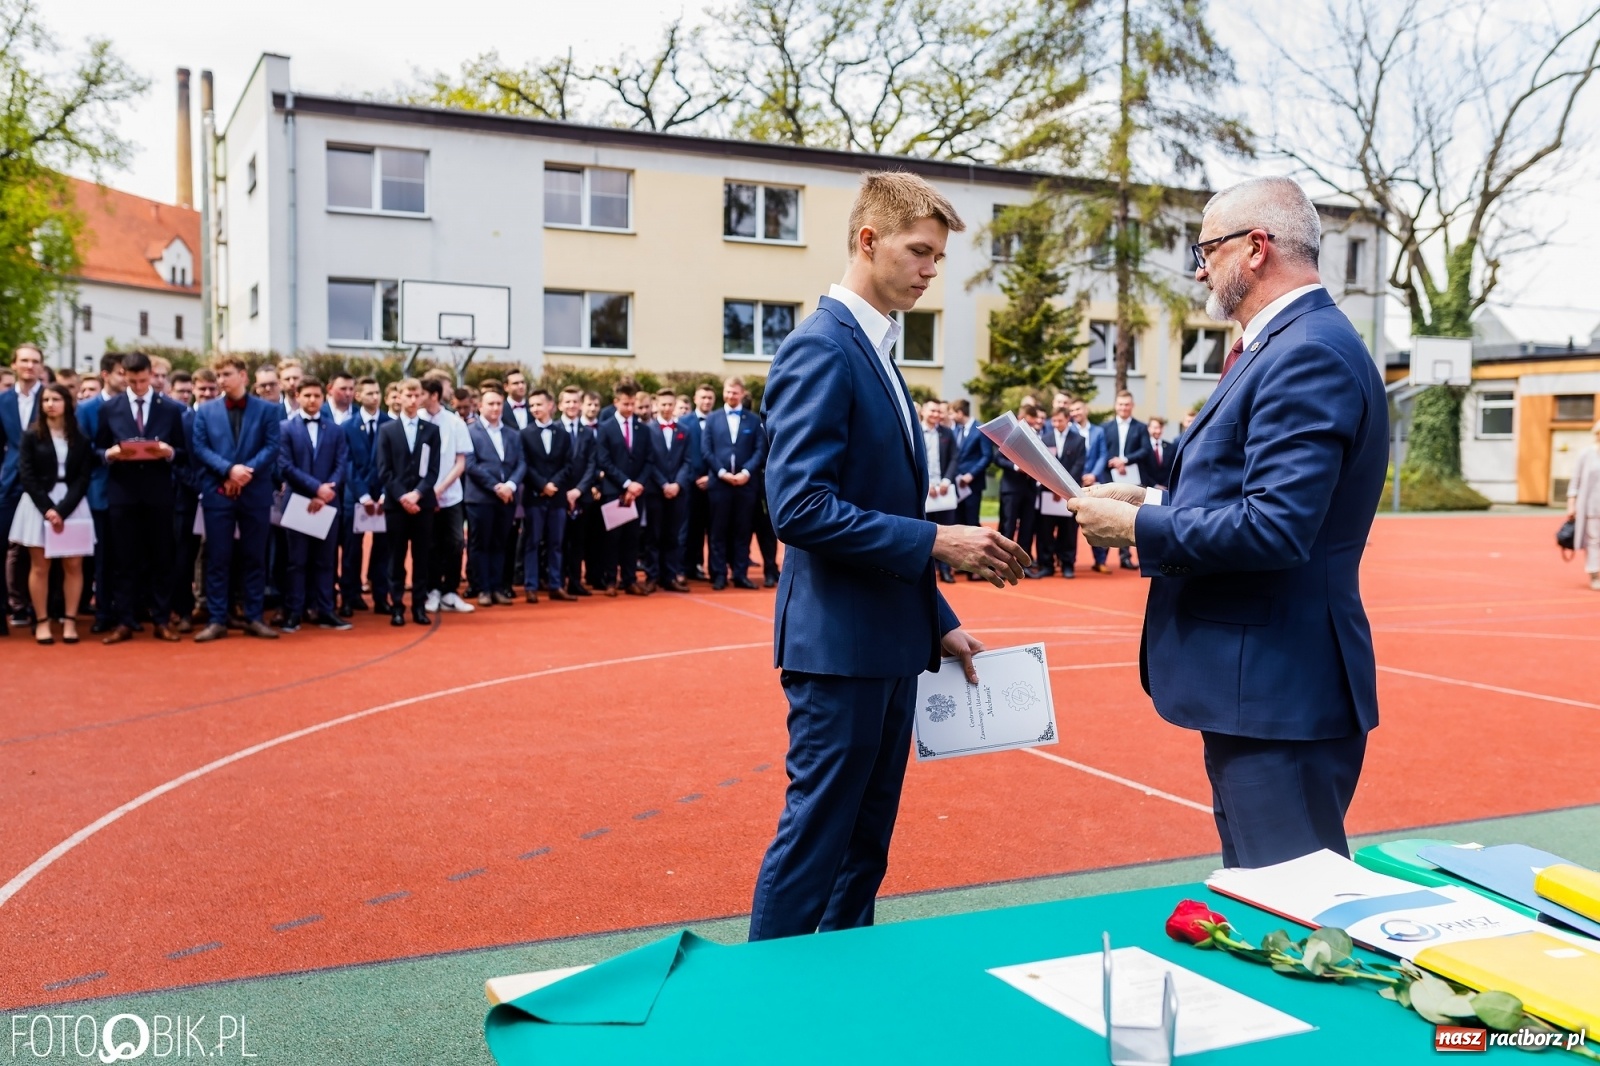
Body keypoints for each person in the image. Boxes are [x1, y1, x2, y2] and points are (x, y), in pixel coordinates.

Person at [1068, 176, 1388, 868]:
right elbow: (1243, 489)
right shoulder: (1283, 345)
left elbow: (1276, 526)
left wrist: (1135, 532)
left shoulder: (1307, 351)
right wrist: (1151, 502)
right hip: (1262, 687)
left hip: (1279, 689)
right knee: (1258, 889)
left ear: (1256, 247)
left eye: (1205, 249)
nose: (1198, 269)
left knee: (1292, 899)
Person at [750, 171, 1030, 942]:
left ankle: (842, 990)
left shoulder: (877, 350)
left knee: (863, 851)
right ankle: (758, 999)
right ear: (868, 241)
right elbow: (799, 509)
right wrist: (940, 541)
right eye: (919, 251)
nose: (931, 270)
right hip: (839, 649)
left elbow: (881, 504)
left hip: (889, 642)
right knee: (816, 842)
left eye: (938, 257)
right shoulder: (822, 348)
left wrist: (936, 618)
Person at [94, 352, 186, 643]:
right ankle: (124, 620)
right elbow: (97, 449)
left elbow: (183, 452)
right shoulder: (110, 408)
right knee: (123, 559)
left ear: (151, 374)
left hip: (159, 493)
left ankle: (161, 620)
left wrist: (169, 452)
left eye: (143, 380)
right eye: (132, 381)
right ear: (123, 374)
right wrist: (111, 454)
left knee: (162, 557)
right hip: (123, 493)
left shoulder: (170, 408)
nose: (138, 386)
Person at [190, 355, 282, 642]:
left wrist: (244, 473)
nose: (221, 380)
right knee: (218, 558)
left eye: (226, 374)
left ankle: (254, 617)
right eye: (218, 375)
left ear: (243, 376)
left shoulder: (268, 410)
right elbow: (200, 448)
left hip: (255, 492)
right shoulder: (206, 411)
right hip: (219, 492)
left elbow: (272, 446)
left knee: (255, 557)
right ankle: (217, 619)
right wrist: (229, 471)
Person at [11, 384, 95, 644]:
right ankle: (42, 621)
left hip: (72, 504)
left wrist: (63, 510)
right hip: (38, 504)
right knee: (40, 566)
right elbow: (26, 474)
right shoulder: (31, 435)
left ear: (67, 403)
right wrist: (48, 509)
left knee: (73, 565)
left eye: (56, 399)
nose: (50, 404)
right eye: (46, 399)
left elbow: (83, 478)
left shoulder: (80, 437)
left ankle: (69, 621)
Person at [274, 377, 351, 632]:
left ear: (323, 397)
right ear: (298, 396)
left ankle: (325, 610)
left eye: (316, 396)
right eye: (307, 395)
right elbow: (285, 466)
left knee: (326, 560)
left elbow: (341, 464)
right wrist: (316, 488)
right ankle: (294, 612)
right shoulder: (285, 428)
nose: (312, 400)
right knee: (296, 561)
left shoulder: (336, 430)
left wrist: (326, 491)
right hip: (298, 501)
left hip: (328, 502)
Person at [376, 378, 442, 626]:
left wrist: (418, 494)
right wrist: (403, 496)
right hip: (396, 505)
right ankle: (396, 605)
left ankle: (418, 606)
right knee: (396, 556)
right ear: (399, 397)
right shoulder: (387, 430)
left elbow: (433, 469)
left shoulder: (431, 430)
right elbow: (384, 470)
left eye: (417, 395)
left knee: (421, 557)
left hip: (423, 504)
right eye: (408, 395)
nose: (413, 400)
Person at [702, 378, 767, 590]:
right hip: (719, 485)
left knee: (742, 532)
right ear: (724, 392)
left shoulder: (753, 420)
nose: (731, 396)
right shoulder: (712, 419)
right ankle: (719, 574)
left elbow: (760, 450)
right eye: (728, 392)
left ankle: (740, 574)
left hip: (745, 485)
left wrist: (746, 472)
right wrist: (722, 473)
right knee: (717, 532)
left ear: (742, 393)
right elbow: (706, 450)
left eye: (735, 392)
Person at [418, 375, 475, 614]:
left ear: (434, 396)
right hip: (421, 495)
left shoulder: (454, 422)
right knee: (429, 543)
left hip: (451, 495)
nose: (416, 398)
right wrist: (426, 491)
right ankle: (431, 590)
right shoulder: (416, 420)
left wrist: (440, 489)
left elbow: (461, 462)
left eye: (421, 393)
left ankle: (450, 591)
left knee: (455, 542)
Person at [595, 382, 657, 596]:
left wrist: (637, 485)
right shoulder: (605, 428)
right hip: (614, 491)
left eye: (632, 404)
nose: (630, 408)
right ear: (616, 402)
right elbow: (604, 460)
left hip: (637, 492)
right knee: (612, 538)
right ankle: (611, 580)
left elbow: (649, 460)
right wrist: (626, 483)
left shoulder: (643, 429)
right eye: (625, 404)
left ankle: (629, 579)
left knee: (632, 537)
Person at [464, 387, 524, 607]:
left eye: (499, 404)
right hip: (480, 498)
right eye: (491, 404)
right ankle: (483, 588)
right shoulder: (470, 432)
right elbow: (470, 465)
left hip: (507, 498)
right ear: (480, 406)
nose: (496, 408)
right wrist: (496, 486)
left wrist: (510, 485)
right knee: (480, 544)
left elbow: (521, 463)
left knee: (501, 543)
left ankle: (498, 587)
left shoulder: (512, 434)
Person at [0, 343, 45, 631]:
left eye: (35, 361)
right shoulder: (2, 401)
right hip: (10, 484)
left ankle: (44, 612)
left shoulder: (51, 398)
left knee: (43, 551)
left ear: (41, 366)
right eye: (25, 360)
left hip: (44, 484)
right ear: (14, 364)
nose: (30, 366)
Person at [522, 388, 581, 603]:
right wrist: (542, 485)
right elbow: (524, 464)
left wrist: (554, 484)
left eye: (539, 404)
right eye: (532, 405)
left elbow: (569, 464)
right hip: (534, 496)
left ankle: (556, 585)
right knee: (532, 542)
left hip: (557, 497)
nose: (535, 409)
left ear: (550, 406)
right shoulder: (525, 434)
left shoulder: (563, 434)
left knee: (556, 543)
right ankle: (531, 585)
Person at [339, 376, 391, 615]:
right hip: (356, 496)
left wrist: (384, 494)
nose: (375, 397)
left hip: (383, 496)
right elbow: (347, 463)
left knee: (383, 549)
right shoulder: (347, 427)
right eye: (370, 393)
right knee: (352, 549)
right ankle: (349, 597)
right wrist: (362, 496)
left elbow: (394, 463)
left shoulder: (390, 424)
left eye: (377, 392)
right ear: (358, 396)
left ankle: (381, 597)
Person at [1089, 390, 1151, 573]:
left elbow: (1145, 450)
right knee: (1106, 515)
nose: (1124, 408)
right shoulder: (1105, 427)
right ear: (1116, 406)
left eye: (1127, 404)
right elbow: (1101, 451)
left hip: (1133, 480)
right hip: (1109, 478)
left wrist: (1125, 460)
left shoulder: (1141, 427)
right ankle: (1101, 559)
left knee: (1128, 516)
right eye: (1121, 404)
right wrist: (1115, 462)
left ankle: (1125, 557)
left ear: (1132, 406)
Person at [642, 387, 697, 593]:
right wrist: (664, 484)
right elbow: (648, 461)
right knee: (653, 536)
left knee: (673, 536)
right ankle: (652, 576)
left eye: (670, 404)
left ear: (674, 406)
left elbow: (688, 461)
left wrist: (677, 484)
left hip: (678, 491)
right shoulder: (647, 430)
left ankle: (670, 576)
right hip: (655, 491)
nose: (666, 408)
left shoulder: (684, 430)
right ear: (656, 406)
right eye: (663, 404)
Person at [1028, 406, 1088, 578]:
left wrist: (1063, 487)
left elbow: (1078, 465)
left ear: (1068, 419)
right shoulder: (1044, 439)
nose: (1056, 424)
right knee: (1045, 530)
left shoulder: (1079, 440)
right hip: (1048, 492)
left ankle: (1067, 564)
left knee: (1068, 530)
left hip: (1069, 493)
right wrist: (1053, 486)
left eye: (1060, 420)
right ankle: (1047, 564)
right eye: (1053, 421)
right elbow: (1041, 464)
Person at [996, 403, 1042, 569]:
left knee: (1027, 528)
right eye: (1028, 421)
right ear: (1020, 418)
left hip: (1030, 489)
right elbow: (997, 459)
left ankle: (1024, 565)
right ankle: (1003, 565)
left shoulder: (1037, 435)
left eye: (1033, 422)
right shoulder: (1008, 435)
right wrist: (1016, 467)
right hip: (1011, 488)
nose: (1031, 425)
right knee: (1008, 527)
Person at [682, 383, 717, 580]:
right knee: (689, 527)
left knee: (713, 529)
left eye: (710, 398)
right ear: (695, 399)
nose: (706, 401)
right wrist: (692, 477)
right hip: (689, 483)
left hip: (715, 482)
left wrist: (711, 477)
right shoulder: (684, 422)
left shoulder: (720, 420)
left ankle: (713, 570)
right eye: (703, 397)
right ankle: (687, 566)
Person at [920, 399, 958, 583]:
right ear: (923, 411)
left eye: (938, 411)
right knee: (926, 529)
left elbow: (954, 458)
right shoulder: (914, 431)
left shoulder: (947, 432)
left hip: (944, 491)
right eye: (932, 411)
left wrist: (946, 480)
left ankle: (945, 569)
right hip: (924, 490)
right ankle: (927, 570)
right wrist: (926, 483)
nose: (936, 414)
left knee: (947, 529)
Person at [1566, 419, 1600, 591]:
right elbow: (1575, 481)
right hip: (1591, 507)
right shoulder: (1586, 454)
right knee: (1594, 540)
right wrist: (1571, 504)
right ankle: (1595, 574)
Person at [949, 399, 991, 536]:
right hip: (955, 483)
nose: (950, 417)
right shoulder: (954, 429)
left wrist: (971, 475)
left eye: (952, 413)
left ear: (960, 413)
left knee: (972, 521)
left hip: (972, 484)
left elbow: (987, 456)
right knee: (956, 521)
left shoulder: (980, 429)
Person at [1147, 415, 1173, 491]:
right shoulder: (1143, 447)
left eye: (1160, 428)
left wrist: (1165, 485)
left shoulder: (1170, 447)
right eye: (1155, 428)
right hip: (1147, 488)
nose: (1158, 431)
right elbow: (1142, 470)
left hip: (1166, 489)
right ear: (1149, 428)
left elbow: (1172, 469)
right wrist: (1154, 485)